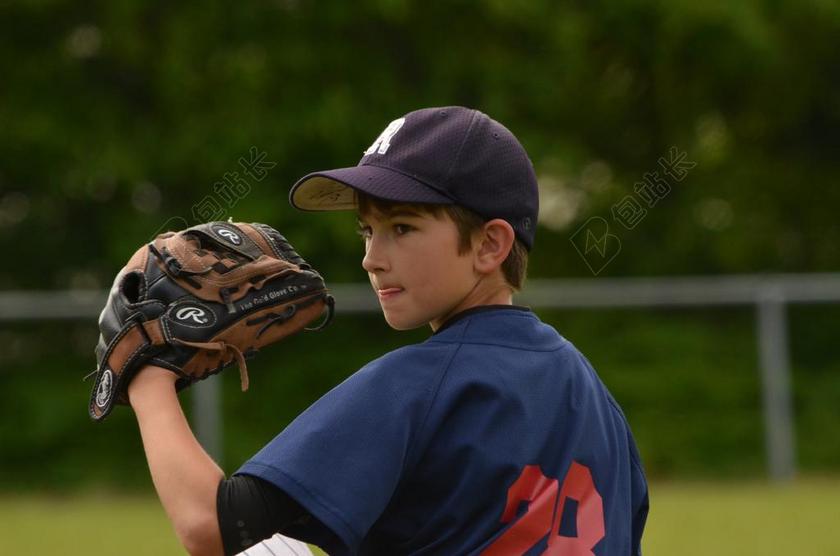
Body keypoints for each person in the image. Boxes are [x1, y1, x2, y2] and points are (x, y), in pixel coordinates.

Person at [128, 106, 649, 555]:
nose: (372, 258)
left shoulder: (420, 383)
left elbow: (210, 526)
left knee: (258, 546)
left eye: (402, 228)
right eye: (367, 230)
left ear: (491, 246)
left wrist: (148, 375)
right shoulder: (596, 399)